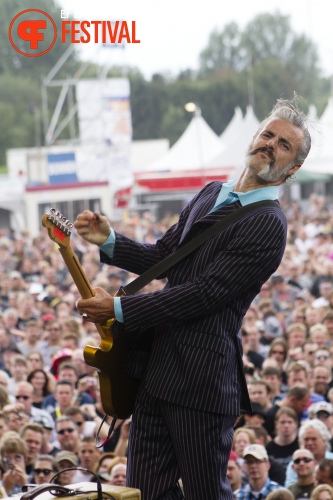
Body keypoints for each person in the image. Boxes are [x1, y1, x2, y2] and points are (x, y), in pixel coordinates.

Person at [74, 97, 312, 499]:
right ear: (254, 137)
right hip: (156, 368)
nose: (270, 144)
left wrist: (118, 309)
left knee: (206, 493)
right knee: (145, 492)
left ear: (293, 167)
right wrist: (111, 241)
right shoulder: (211, 192)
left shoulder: (269, 223)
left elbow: (203, 295)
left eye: (283, 144)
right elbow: (164, 257)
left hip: (202, 381)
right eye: (268, 134)